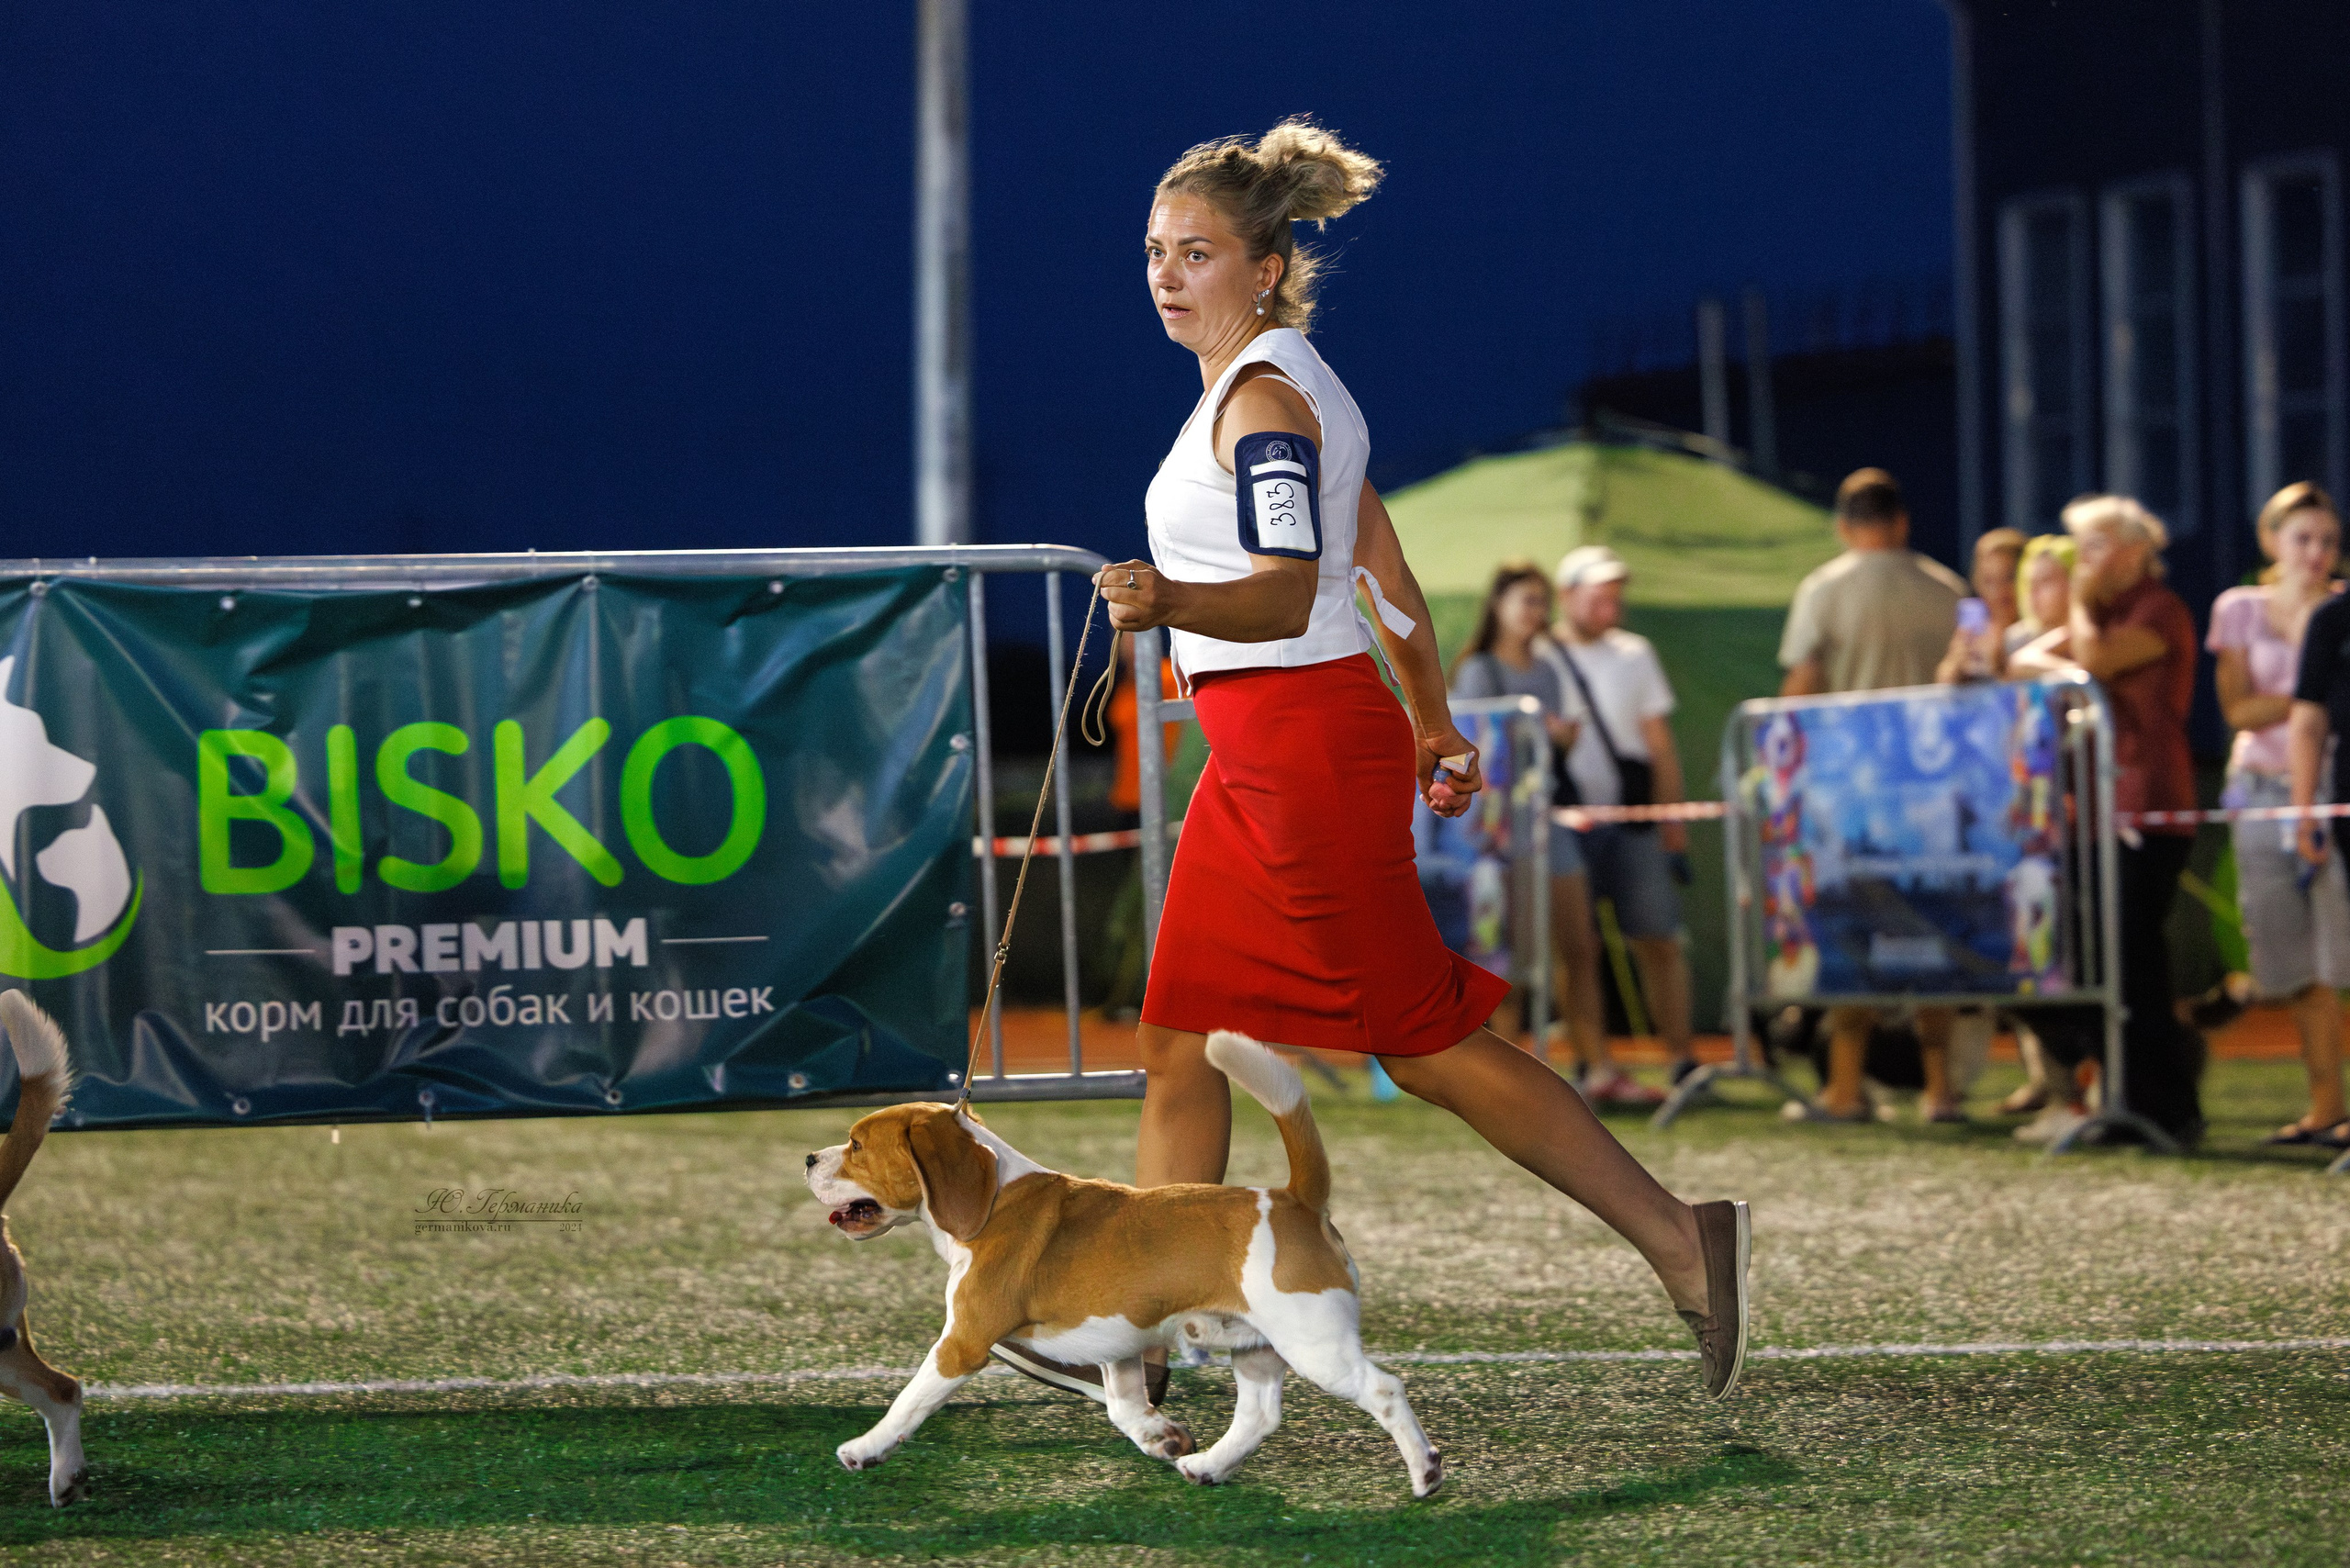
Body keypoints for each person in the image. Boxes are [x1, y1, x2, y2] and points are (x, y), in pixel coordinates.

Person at [1055, 118, 1749, 1407]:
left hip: (1299, 742)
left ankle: (1678, 1237)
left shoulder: (1265, 397)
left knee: (1420, 1040)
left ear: (1264, 268)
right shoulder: (1283, 388)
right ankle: (1134, 1342)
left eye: (1195, 253)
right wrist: (1430, 720)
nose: (1165, 273)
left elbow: (1281, 592)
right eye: (1154, 252)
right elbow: (1384, 571)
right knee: (1181, 1043)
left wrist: (1169, 602)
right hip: (1278, 744)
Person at [2011, 495, 2205, 1144]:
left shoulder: (2159, 608)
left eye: (2093, 547)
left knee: (2136, 965)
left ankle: (2165, 1109)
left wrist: (2077, 606)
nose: (2083, 563)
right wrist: (2080, 618)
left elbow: (2091, 663)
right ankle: (2128, 1098)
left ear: (2132, 551)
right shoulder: (2102, 611)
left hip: (2148, 810)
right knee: (2104, 962)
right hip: (2099, 815)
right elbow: (2026, 660)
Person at [1778, 468, 1968, 1121]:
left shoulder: (1823, 589)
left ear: (1842, 525)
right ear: (1902, 521)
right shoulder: (1948, 588)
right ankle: (1941, 1091)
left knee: (1850, 934)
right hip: (1936, 791)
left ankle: (1845, 1087)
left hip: (1852, 793)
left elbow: (1802, 685)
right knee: (1936, 933)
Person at [1450, 561, 1664, 1106]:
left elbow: (1543, 754)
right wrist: (1533, 735)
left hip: (1547, 823)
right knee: (1505, 957)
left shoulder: (1546, 671)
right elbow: (1476, 749)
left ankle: (1597, 1067)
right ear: (1497, 605)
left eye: (1541, 602)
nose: (1535, 612)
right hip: (1496, 833)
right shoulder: (1478, 669)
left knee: (1581, 947)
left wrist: (1557, 741)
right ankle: (1503, 1083)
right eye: (1525, 600)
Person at [1551, 546, 1699, 1089]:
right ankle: (1594, 1063)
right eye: (1598, 592)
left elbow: (1660, 744)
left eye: (1615, 593)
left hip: (1633, 820)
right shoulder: (1538, 654)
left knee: (1659, 937)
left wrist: (1673, 824)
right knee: (1578, 948)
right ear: (1567, 596)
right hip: (1563, 822)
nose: (1609, 602)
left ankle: (1681, 1060)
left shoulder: (1635, 654)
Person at [2246, 482, 2350, 1152]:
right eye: (2301, 538)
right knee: (2313, 968)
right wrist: (2307, 809)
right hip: (2316, 803)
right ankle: (2326, 1108)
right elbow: (2305, 719)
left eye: (2328, 540)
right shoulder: (2331, 622)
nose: (2316, 553)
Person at [1935, 526, 2026, 683]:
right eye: (1989, 581)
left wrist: (2000, 664)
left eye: (2009, 578)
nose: (1999, 592)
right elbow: (1945, 684)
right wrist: (1957, 663)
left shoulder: (2037, 630)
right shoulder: (1973, 632)